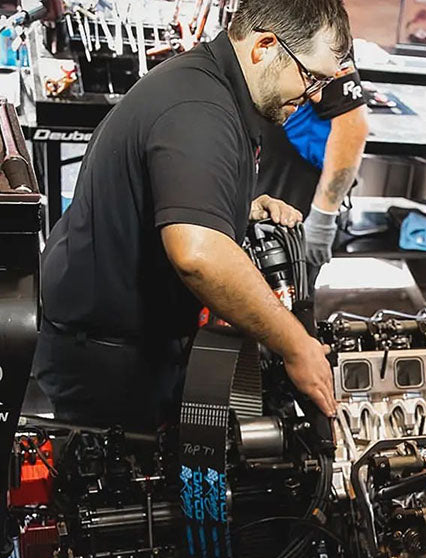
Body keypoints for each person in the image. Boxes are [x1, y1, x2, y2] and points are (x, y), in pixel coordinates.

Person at [34, 0, 350, 430]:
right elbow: (198, 254)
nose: (314, 95)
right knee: (122, 490)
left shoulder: (210, 82)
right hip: (107, 361)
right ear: (264, 47)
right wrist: (296, 345)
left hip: (122, 337)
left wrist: (236, 207)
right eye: (311, 77)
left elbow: (163, 190)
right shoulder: (200, 110)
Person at [254, 52, 368, 266]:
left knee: (282, 289)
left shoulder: (319, 27)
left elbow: (353, 126)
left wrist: (322, 219)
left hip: (293, 181)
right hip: (261, 171)